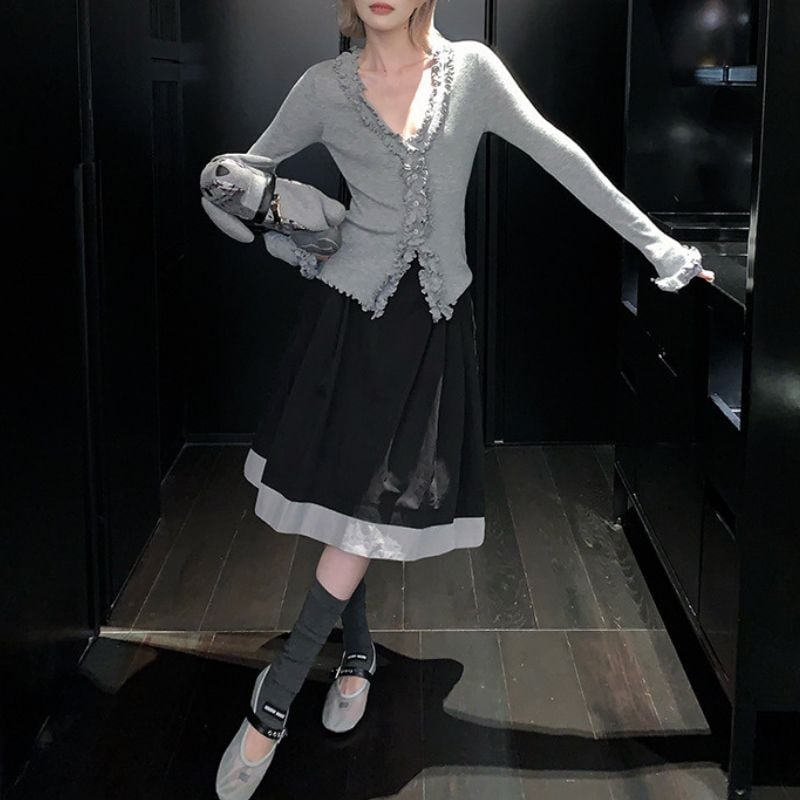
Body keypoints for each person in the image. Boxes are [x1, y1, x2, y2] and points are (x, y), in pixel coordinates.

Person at [214, 1, 715, 797]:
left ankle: (272, 702)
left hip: (431, 324)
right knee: (348, 502)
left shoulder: (472, 73)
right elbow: (236, 180)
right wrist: (272, 224)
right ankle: (357, 654)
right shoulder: (322, 87)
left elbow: (560, 155)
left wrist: (662, 249)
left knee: (366, 504)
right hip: (345, 323)